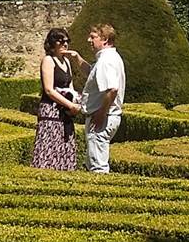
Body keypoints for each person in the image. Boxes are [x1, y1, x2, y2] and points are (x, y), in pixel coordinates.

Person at [31, 28, 86, 170]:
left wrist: (74, 103)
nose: (65, 44)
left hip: (65, 112)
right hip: (51, 111)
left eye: (67, 41)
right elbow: (49, 90)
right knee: (49, 147)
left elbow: (70, 87)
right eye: (61, 41)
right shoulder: (48, 61)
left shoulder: (66, 62)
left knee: (64, 147)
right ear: (52, 43)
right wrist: (70, 105)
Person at [79, 23, 125, 173]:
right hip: (106, 116)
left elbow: (112, 89)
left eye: (93, 37)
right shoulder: (109, 58)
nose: (88, 40)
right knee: (93, 162)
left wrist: (101, 113)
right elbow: (93, 73)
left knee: (98, 166)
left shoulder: (106, 61)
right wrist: (77, 58)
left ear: (105, 39)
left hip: (102, 118)